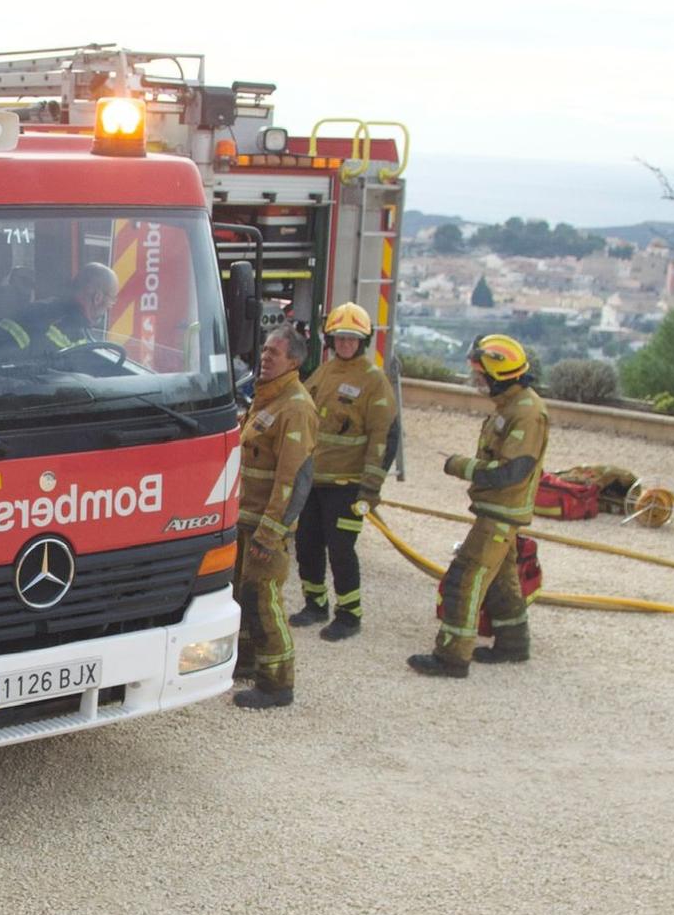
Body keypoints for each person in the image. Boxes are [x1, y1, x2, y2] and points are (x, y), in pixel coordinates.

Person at [409, 334, 550, 678]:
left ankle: (451, 657)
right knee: (502, 580)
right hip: (498, 510)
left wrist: (459, 466)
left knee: (465, 578)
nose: (477, 383)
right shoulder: (512, 406)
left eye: (481, 377)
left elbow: (511, 471)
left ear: (500, 377)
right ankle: (513, 643)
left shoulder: (527, 413)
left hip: (501, 512)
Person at [289, 302, 398, 640]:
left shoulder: (373, 381)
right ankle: (315, 604)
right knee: (307, 544)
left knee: (341, 549)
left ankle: (349, 614)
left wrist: (370, 489)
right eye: (340, 338)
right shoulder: (325, 371)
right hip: (314, 481)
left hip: (347, 486)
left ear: (362, 342)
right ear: (330, 339)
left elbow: (384, 436)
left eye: (352, 339)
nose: (345, 344)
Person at [232, 327, 318, 710]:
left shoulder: (295, 407)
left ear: (294, 362)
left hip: (267, 528)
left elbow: (293, 477)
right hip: (246, 519)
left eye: (275, 353)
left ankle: (278, 683)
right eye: (265, 350)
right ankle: (249, 662)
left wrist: (271, 533)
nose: (266, 357)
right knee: (245, 595)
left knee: (265, 600)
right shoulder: (266, 399)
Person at [0, 261, 117, 357]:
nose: (111, 305)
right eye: (112, 299)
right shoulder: (69, 330)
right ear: (98, 298)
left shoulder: (41, 308)